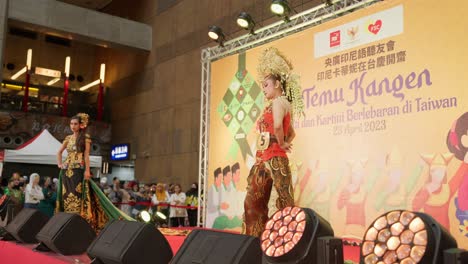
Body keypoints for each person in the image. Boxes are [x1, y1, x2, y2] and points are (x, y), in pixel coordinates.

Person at [243, 47, 304, 237]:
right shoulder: (279, 104)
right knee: (265, 202)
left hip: (273, 159)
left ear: (277, 84)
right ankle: (268, 240)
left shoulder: (279, 102)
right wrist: (284, 141)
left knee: (270, 202)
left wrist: (280, 142)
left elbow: (278, 126)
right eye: (262, 86)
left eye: (266, 85)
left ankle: (273, 240)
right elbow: (291, 132)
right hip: (264, 160)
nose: (263, 89)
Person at [56, 113, 133, 230]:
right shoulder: (68, 138)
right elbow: (59, 152)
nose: (73, 126)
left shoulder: (85, 138)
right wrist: (60, 164)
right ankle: (67, 219)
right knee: (66, 194)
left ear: (81, 125)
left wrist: (87, 171)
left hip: (79, 170)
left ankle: (77, 219)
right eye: (71, 124)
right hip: (67, 170)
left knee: (77, 195)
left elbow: (86, 156)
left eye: (75, 124)